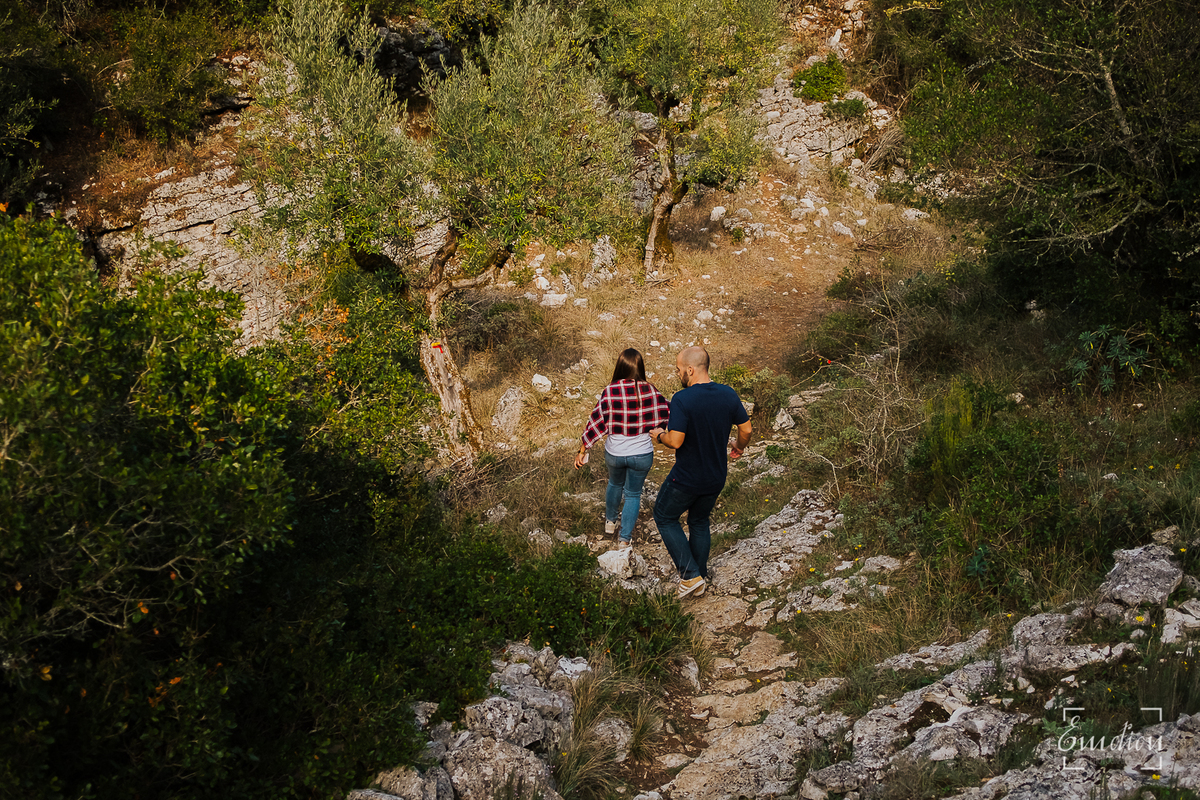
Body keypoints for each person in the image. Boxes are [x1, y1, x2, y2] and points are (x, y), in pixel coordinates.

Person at [649, 346, 752, 598]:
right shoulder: (728, 394)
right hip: (716, 475)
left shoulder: (683, 399)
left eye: (678, 369)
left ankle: (690, 575)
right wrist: (738, 446)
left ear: (690, 370)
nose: (678, 373)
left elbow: (676, 441)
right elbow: (747, 429)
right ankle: (700, 574)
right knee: (698, 520)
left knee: (663, 516)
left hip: (686, 476)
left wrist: (660, 435)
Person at [574, 348, 671, 549]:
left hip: (615, 453)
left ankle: (610, 523)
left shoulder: (610, 391)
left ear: (620, 366)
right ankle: (624, 539)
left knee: (615, 484)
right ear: (640, 367)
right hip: (642, 453)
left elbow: (596, 422)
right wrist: (664, 433)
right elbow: (668, 411)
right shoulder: (651, 390)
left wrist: (583, 450)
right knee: (634, 494)